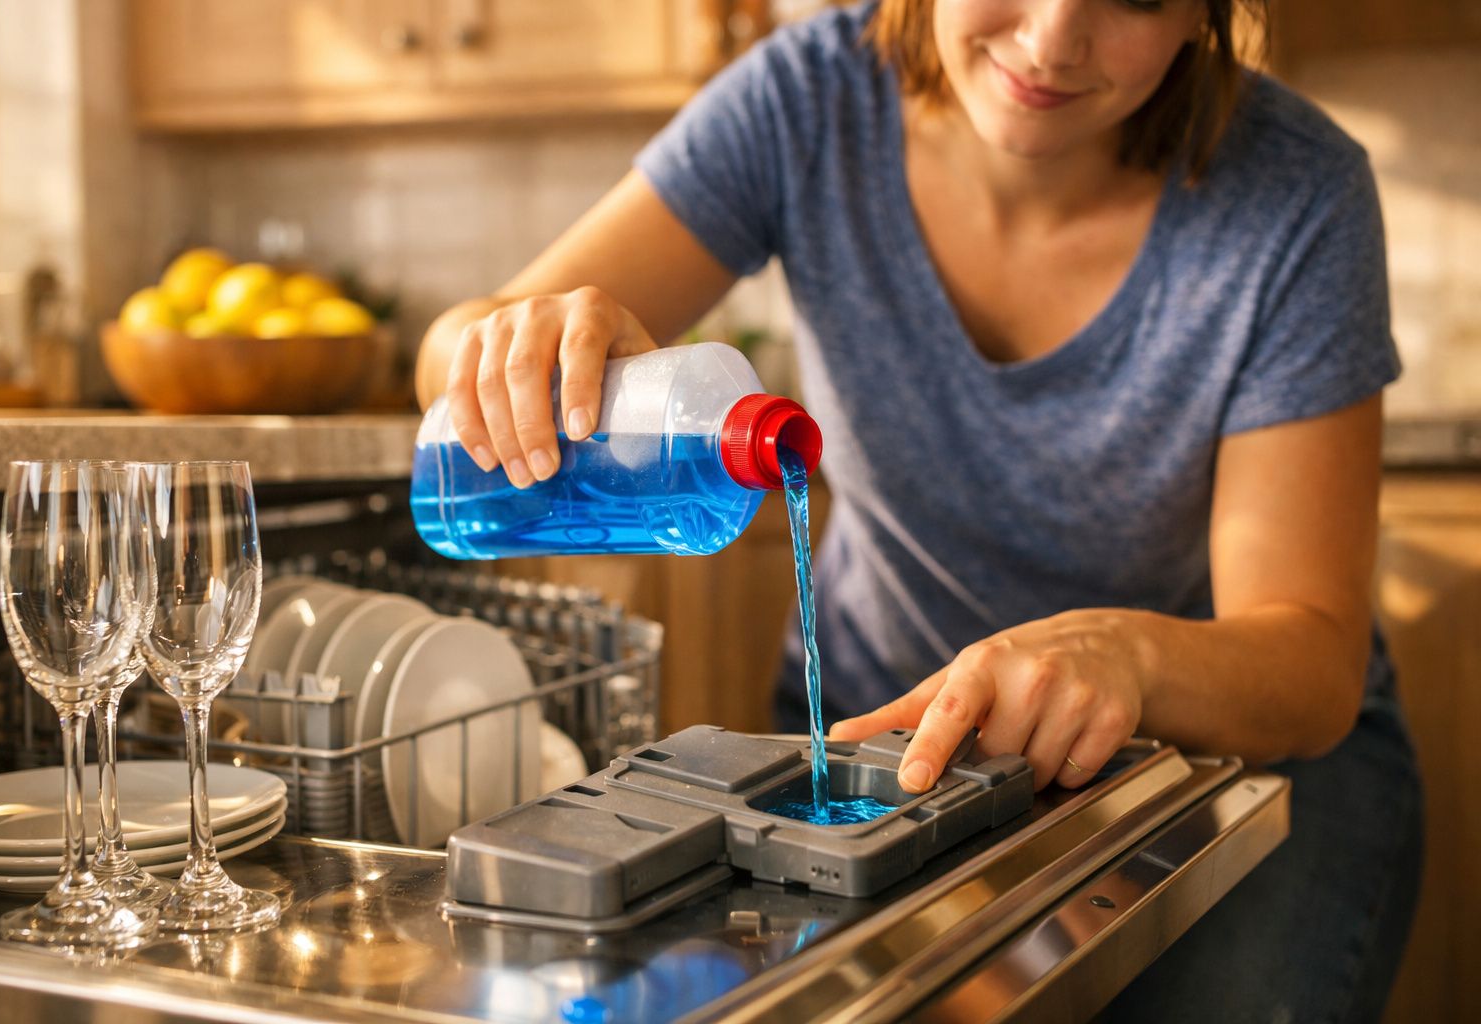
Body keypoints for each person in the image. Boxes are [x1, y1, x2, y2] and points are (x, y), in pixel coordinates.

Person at [416, 1, 1422, 1018]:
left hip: (1228, 756)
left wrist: (1125, 654)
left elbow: (1310, 664)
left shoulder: (1298, 189)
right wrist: (512, 346)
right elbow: (445, 357)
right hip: (869, 743)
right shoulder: (808, 100)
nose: (1050, 41)